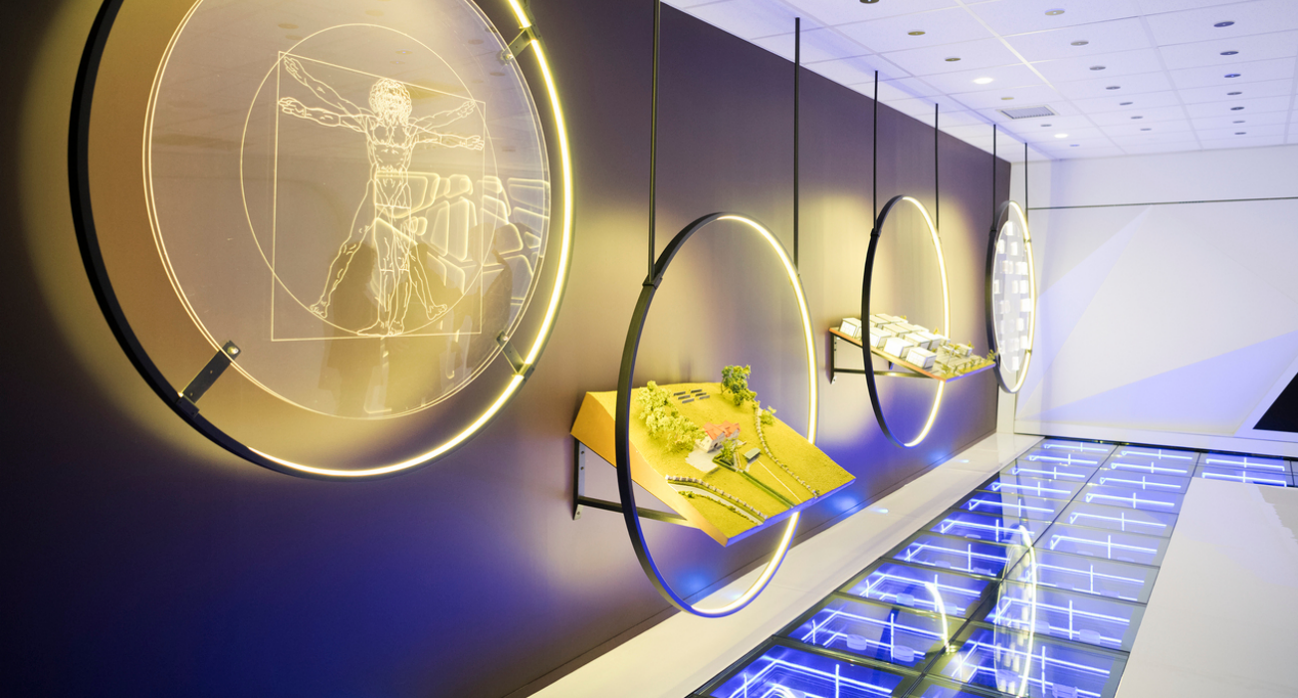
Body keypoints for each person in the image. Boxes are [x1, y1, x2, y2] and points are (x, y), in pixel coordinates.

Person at [277, 56, 484, 335]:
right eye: (387, 101)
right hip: (376, 195)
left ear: (404, 105)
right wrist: (301, 97)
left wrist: (465, 131)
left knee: (407, 259)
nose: (392, 106)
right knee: (352, 250)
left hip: (400, 198)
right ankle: (325, 301)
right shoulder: (370, 124)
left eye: (397, 101)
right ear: (378, 103)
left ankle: (406, 315)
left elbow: (439, 130)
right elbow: (334, 107)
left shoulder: (410, 132)